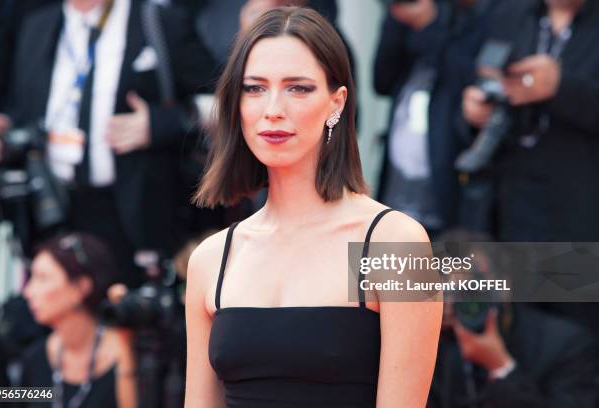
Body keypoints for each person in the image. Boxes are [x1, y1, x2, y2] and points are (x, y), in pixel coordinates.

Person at [184, 7, 442, 407]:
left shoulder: (395, 244)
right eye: (254, 88)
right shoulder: (211, 259)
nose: (273, 108)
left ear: (336, 103)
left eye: (298, 88)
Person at [0, 0, 216, 287]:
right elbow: (22, 108)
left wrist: (162, 124)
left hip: (131, 215)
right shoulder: (37, 26)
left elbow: (224, 102)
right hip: (54, 210)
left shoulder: (157, 21)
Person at [461, 0, 599, 337]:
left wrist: (561, 88)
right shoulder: (509, 14)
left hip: (582, 221)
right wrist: (473, 112)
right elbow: (481, 80)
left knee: (573, 344)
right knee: (510, 331)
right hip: (510, 211)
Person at [428, 230, 598, 407]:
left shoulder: (567, 346)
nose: (461, 302)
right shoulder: (437, 347)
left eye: (473, 289)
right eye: (449, 292)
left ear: (504, 286)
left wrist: (501, 367)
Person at [374, 0, 499, 238]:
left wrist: (429, 25)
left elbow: (467, 80)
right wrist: (398, 19)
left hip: (446, 198)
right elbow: (381, 81)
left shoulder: (485, 15)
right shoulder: (403, 25)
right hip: (395, 195)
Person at [20, 233, 136, 407]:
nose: (28, 292)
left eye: (42, 278)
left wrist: (127, 354)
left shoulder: (125, 356)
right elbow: (0, 397)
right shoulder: (35, 360)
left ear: (81, 287)